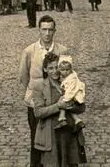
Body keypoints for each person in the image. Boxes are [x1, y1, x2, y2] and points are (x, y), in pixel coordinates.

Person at [19, 15, 69, 167]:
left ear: (55, 31)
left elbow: (68, 76)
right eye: (44, 30)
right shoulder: (29, 51)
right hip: (36, 103)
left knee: (56, 139)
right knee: (37, 139)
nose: (47, 33)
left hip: (56, 102)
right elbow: (24, 76)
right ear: (39, 30)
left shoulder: (62, 50)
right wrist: (33, 94)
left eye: (50, 30)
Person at [32, 52, 87, 166]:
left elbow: (82, 108)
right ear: (45, 70)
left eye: (57, 67)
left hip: (70, 133)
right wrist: (58, 106)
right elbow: (38, 112)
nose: (55, 71)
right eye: (50, 68)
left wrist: (71, 105)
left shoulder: (70, 82)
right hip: (51, 135)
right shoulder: (40, 86)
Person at [55, 55, 85, 131]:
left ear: (71, 69)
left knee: (63, 104)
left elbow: (70, 91)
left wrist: (65, 99)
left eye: (67, 70)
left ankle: (62, 118)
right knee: (69, 109)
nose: (65, 72)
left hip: (74, 97)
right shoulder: (70, 77)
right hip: (73, 96)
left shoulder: (71, 79)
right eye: (63, 70)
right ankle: (78, 120)